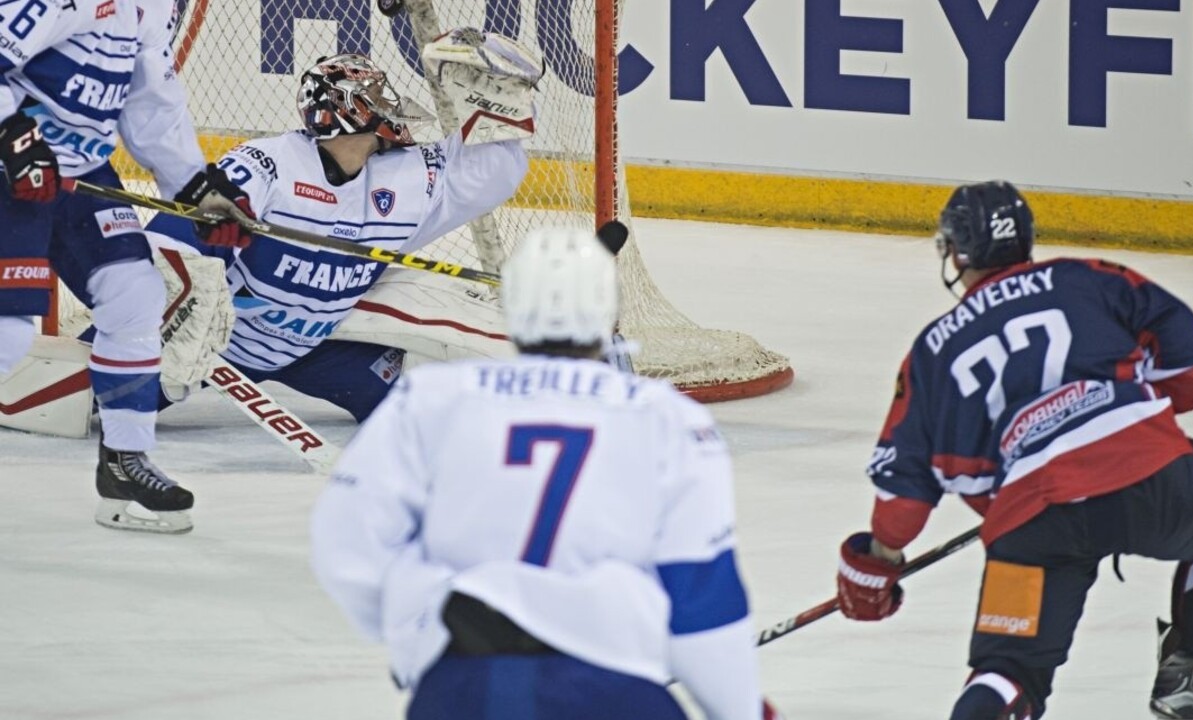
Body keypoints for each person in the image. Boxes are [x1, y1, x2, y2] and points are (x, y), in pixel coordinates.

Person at [834, 181, 1193, 720]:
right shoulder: (1091, 278)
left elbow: (904, 494)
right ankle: (1191, 671)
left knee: (1005, 673)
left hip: (1032, 525)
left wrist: (876, 563)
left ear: (957, 252)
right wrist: (1132, 415)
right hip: (1157, 487)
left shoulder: (932, 350)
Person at [310, 228, 779, 719]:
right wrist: (740, 710)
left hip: (464, 686)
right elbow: (700, 589)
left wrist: (421, 640)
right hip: (611, 689)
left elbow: (349, 541)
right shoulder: (667, 417)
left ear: (512, 307)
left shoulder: (431, 397)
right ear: (607, 309)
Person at [147, 37, 534, 424]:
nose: (390, 105)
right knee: (116, 400)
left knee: (421, 412)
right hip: (220, 340)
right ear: (352, 109)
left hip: (318, 347)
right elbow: (177, 235)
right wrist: (175, 319)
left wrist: (495, 106)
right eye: (378, 96)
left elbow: (493, 173)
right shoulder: (269, 163)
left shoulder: (406, 176)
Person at [0, 0, 253, 534]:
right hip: (13, 171)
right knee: (7, 332)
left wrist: (194, 187)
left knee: (135, 294)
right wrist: (11, 134)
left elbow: (151, 102)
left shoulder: (152, 7)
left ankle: (123, 462)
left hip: (80, 174)